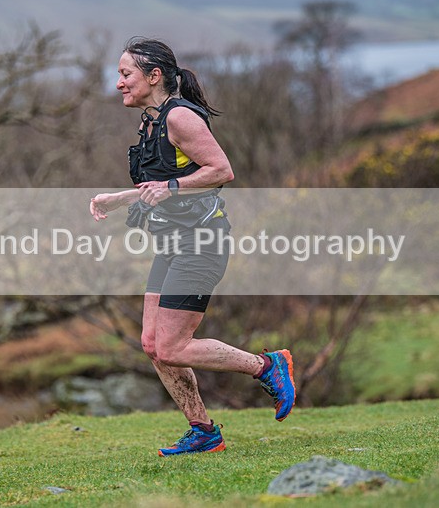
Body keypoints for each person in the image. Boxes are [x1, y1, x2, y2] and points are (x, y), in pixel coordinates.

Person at [90, 37, 296, 456]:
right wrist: (119, 198)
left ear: (154, 76)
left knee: (172, 346)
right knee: (152, 344)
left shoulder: (181, 117)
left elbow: (221, 170)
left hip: (202, 242)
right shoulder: (152, 120)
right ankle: (203, 430)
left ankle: (267, 366)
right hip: (172, 244)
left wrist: (170, 186)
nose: (118, 83)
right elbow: (161, 187)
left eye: (125, 74)